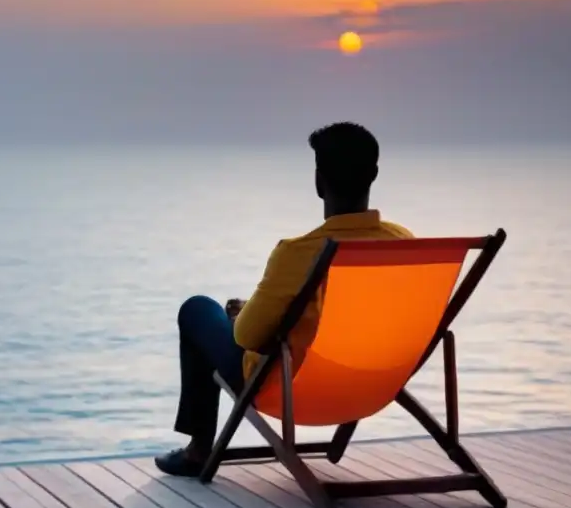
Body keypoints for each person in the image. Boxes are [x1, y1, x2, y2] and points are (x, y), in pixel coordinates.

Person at [154, 122, 414, 477]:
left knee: (199, 309)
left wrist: (242, 317)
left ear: (319, 182)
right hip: (374, 385)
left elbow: (245, 339)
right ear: (374, 175)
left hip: (294, 390)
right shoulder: (404, 243)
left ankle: (199, 450)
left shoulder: (298, 253)